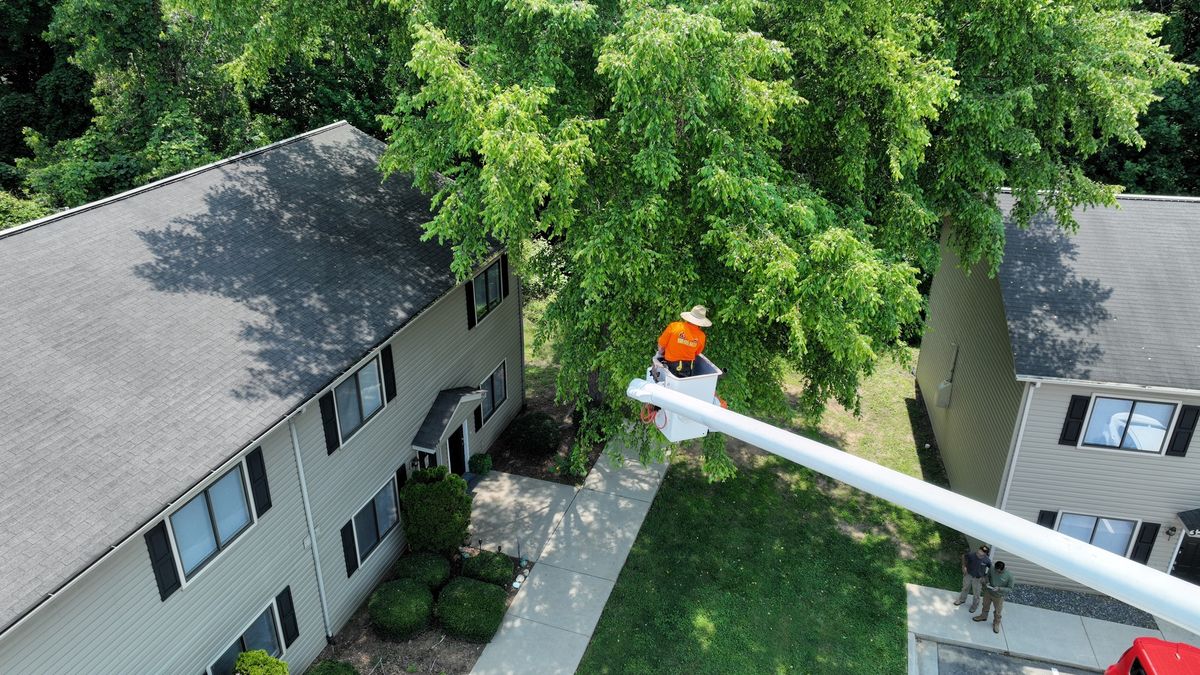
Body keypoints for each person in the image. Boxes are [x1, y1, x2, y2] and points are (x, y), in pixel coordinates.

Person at [656, 305, 711, 377]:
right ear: (700, 322)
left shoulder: (674, 327)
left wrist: (660, 354)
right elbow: (696, 353)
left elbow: (661, 346)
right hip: (688, 368)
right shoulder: (701, 336)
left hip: (671, 366)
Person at [973, 560, 1014, 633]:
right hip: (988, 592)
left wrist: (999, 588)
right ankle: (983, 616)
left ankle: (996, 623)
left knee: (997, 611)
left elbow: (1010, 589)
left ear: (1002, 569)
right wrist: (987, 581)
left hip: (998, 596)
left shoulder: (1009, 576)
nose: (996, 572)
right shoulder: (992, 568)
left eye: (998, 571)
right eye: (995, 570)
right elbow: (988, 576)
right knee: (985, 605)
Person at [953, 544, 992, 612]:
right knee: (965, 588)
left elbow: (991, 569)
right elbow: (964, 557)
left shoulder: (987, 560)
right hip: (968, 575)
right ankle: (962, 600)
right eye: (980, 550)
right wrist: (964, 566)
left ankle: (975, 605)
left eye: (983, 551)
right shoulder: (972, 555)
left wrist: (985, 577)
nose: (980, 552)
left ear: (985, 553)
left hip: (978, 578)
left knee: (976, 593)